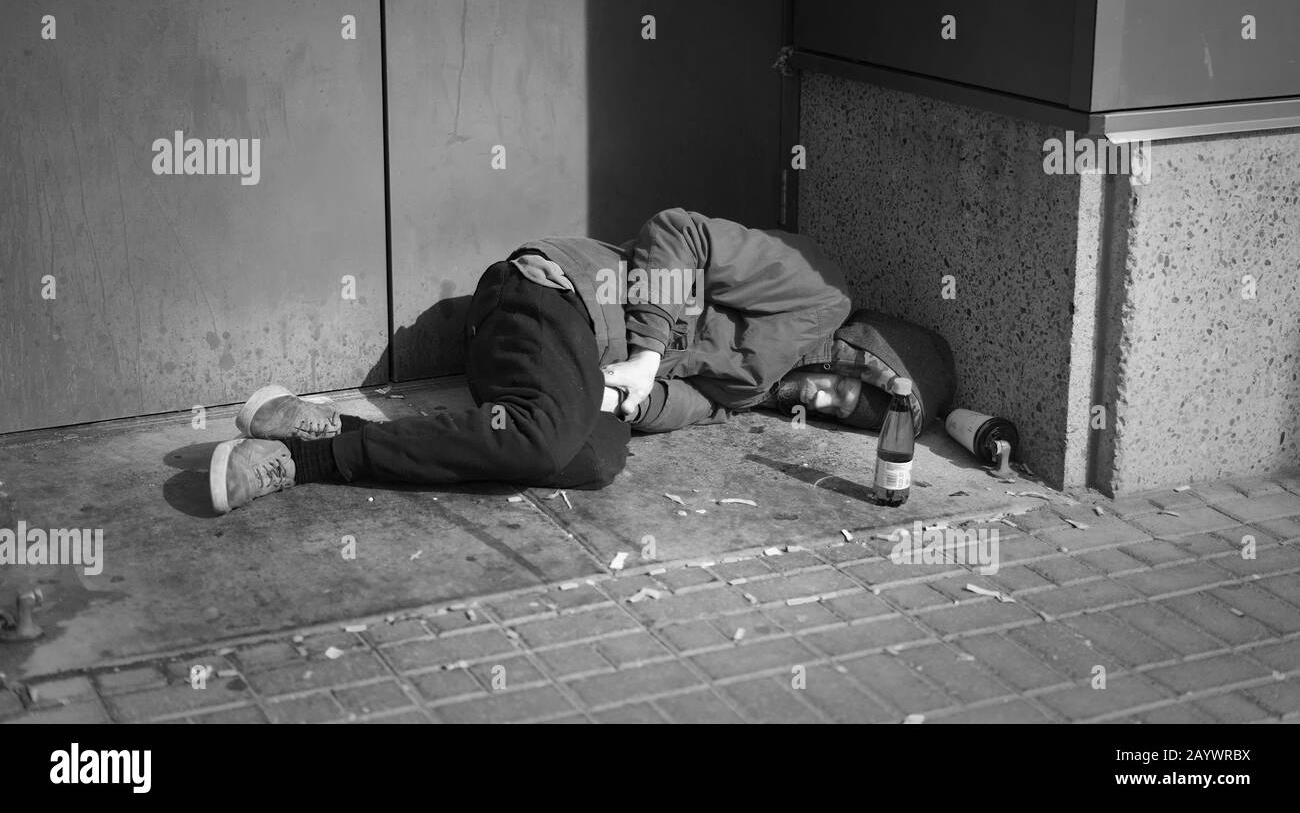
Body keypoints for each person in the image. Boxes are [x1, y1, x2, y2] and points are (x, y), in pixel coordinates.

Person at [209, 209, 954, 513]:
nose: (830, 404)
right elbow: (679, 233)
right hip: (545, 295)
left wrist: (627, 398)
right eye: (852, 394)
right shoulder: (817, 288)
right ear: (863, 355)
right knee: (550, 437)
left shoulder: (751, 387)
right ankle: (306, 462)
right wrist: (647, 353)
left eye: (848, 419)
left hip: (543, 373)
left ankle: (319, 424)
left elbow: (654, 409)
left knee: (594, 460)